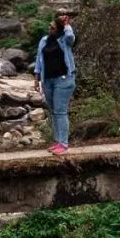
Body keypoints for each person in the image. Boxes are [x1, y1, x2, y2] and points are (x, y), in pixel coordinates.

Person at [34, 13, 76, 155]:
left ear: (58, 29)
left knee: (60, 111)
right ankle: (57, 141)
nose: (49, 29)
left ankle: (63, 144)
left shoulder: (65, 40)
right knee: (53, 112)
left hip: (63, 80)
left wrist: (67, 25)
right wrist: (36, 77)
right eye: (49, 27)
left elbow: (71, 37)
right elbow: (39, 59)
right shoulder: (44, 40)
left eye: (52, 27)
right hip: (48, 80)